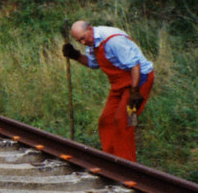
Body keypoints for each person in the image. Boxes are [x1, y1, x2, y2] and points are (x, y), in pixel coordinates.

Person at [63, 20, 154, 162]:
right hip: (119, 85)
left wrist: (135, 92)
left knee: (125, 121)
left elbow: (135, 66)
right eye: (78, 40)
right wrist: (76, 56)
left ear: (90, 29)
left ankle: (128, 166)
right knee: (106, 121)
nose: (82, 42)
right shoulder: (92, 43)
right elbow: (93, 64)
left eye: (83, 38)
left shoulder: (113, 40)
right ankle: (111, 162)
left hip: (139, 81)